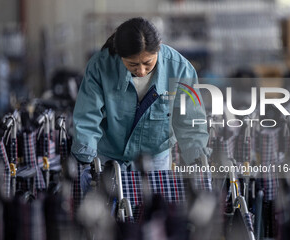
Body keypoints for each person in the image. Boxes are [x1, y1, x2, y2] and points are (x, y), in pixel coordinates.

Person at [71, 17, 209, 195]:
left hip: (155, 160)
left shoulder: (181, 69)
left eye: (148, 62)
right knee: (109, 217)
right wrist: (85, 161)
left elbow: (190, 123)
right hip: (110, 158)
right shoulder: (100, 66)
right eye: (133, 64)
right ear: (120, 54)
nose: (141, 70)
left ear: (158, 48)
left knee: (154, 215)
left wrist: (197, 162)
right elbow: (87, 117)